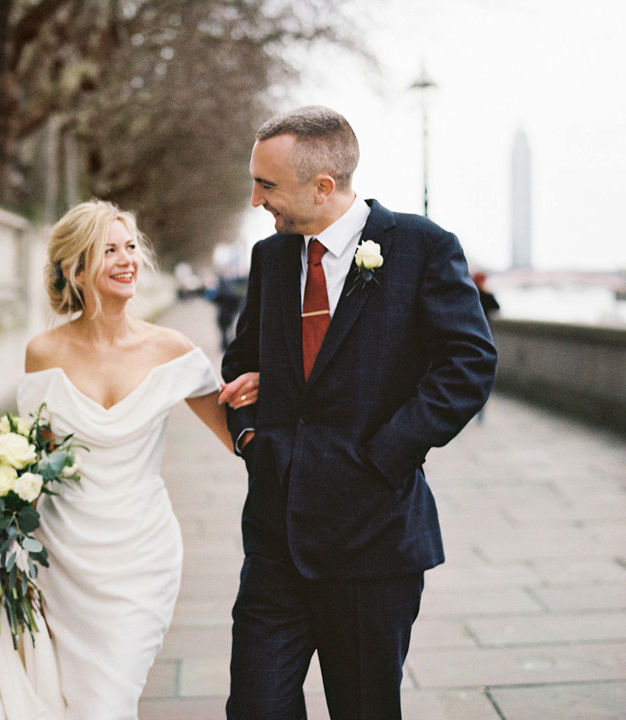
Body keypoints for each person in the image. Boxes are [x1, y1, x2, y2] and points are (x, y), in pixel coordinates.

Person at [218, 106, 497, 720]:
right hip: (275, 538)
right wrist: (250, 439)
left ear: (322, 185)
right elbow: (239, 361)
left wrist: (385, 456)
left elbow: (469, 365)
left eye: (267, 184)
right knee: (255, 707)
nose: (256, 198)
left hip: (373, 540)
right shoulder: (270, 259)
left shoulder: (423, 248)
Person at [0, 199, 260, 720]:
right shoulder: (43, 353)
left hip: (139, 561)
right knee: (71, 705)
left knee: (107, 703)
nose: (127, 259)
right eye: (109, 250)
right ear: (74, 269)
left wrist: (271, 400)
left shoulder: (172, 350)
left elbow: (238, 437)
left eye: (130, 247)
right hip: (59, 562)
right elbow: (34, 458)